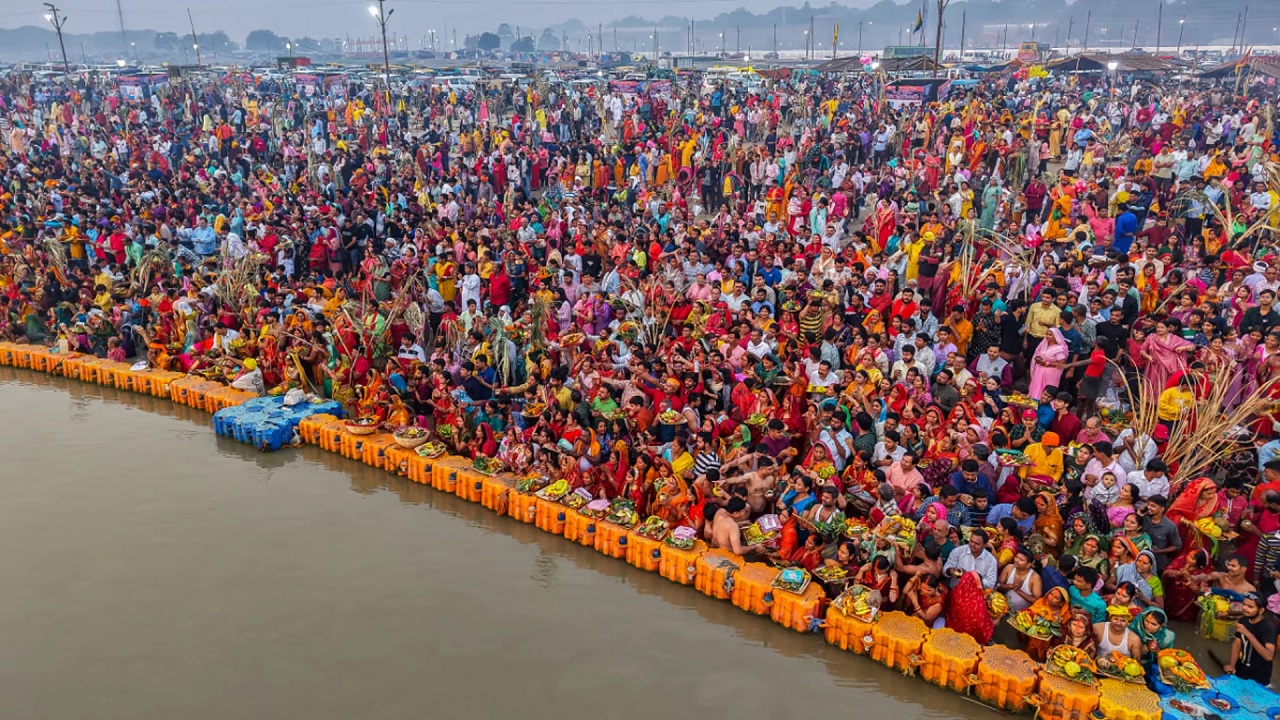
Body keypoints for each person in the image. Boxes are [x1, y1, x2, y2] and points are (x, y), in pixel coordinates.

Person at [1225, 592, 1276, 686]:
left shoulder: (1268, 628)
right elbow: (1237, 643)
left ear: (1261, 610)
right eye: (1244, 604)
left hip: (1259, 676)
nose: (1245, 608)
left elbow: (1269, 656)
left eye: (1250, 606)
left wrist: (1247, 633)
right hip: (1241, 669)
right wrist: (1232, 665)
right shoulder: (1243, 620)